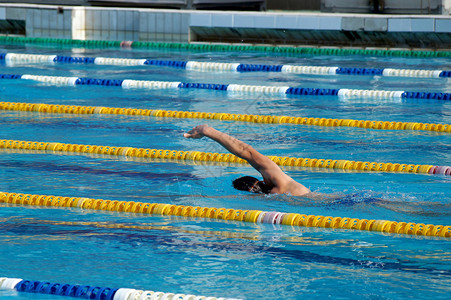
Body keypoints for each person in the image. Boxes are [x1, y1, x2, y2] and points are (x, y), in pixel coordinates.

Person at [183, 124, 311, 196]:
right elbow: (246, 151)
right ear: (260, 180)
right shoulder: (279, 181)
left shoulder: (268, 197)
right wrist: (207, 131)